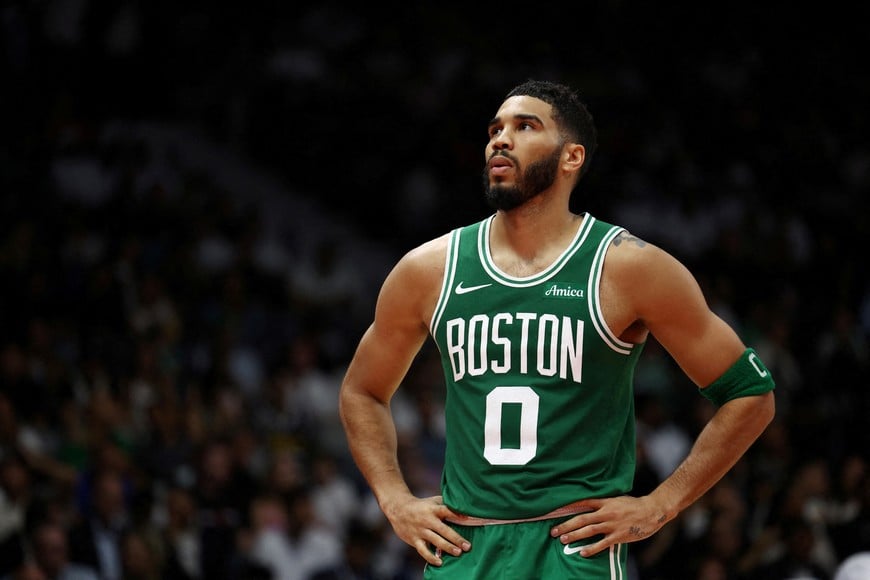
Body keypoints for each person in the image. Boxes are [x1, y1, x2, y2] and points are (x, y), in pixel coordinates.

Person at [338, 79, 776, 578]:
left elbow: (750, 394)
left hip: (571, 547)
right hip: (462, 547)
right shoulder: (427, 270)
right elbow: (362, 391)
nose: (500, 140)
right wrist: (394, 500)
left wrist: (661, 505)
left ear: (571, 158)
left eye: (525, 127)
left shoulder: (628, 267)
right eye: (495, 129)